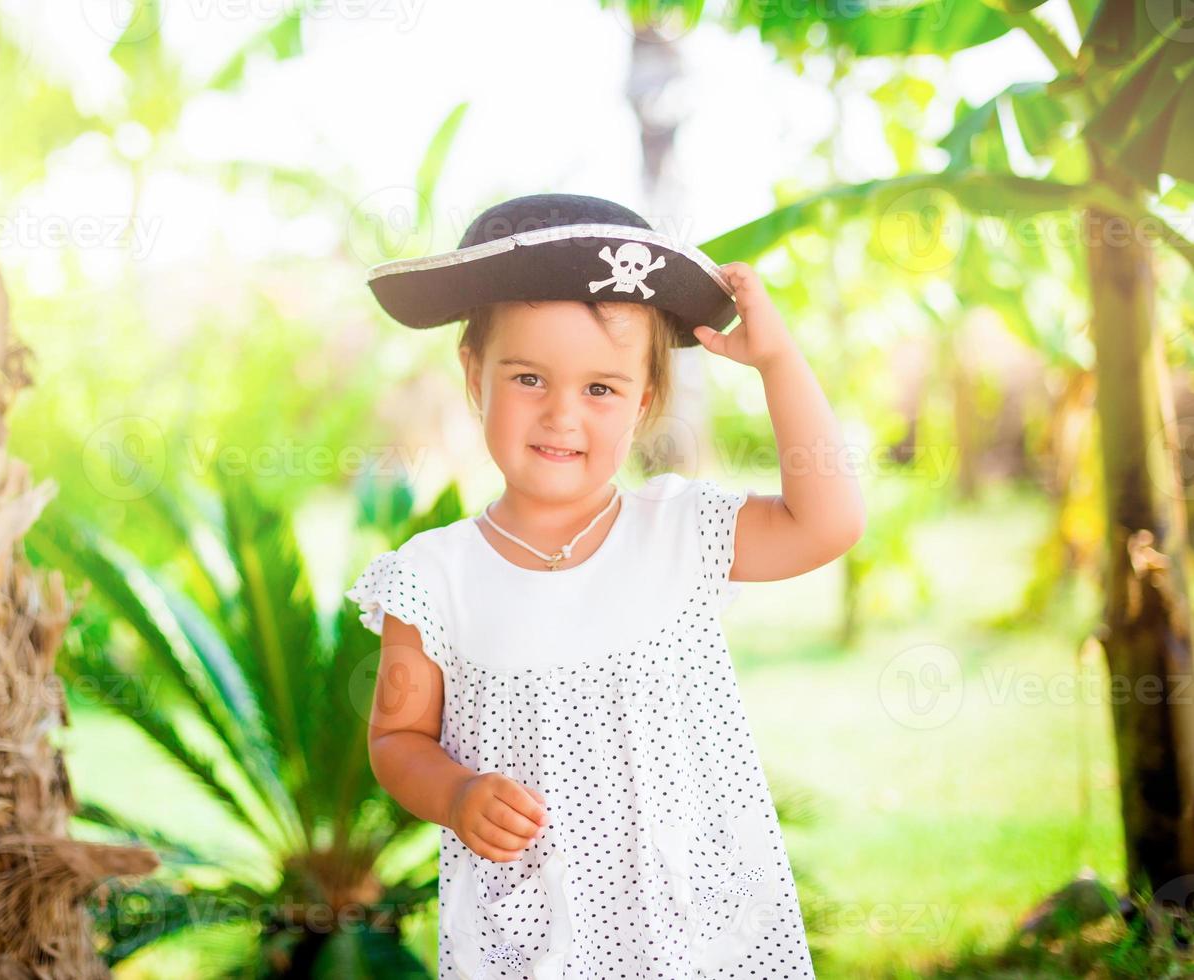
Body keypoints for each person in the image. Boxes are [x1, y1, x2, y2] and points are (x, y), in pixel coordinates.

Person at [347, 192, 863, 978]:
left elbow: (827, 522)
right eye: (527, 378)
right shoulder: (432, 578)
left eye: (600, 389)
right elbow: (397, 740)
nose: (562, 415)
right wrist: (455, 795)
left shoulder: (680, 533)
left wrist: (780, 364)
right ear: (472, 373)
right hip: (530, 943)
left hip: (700, 936)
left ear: (645, 398)